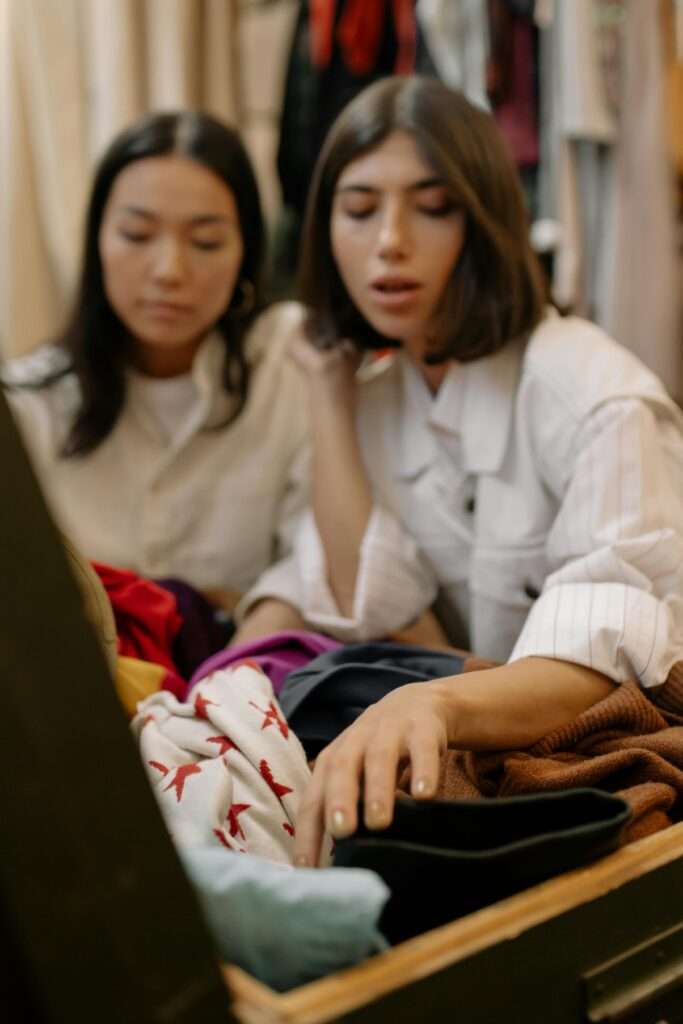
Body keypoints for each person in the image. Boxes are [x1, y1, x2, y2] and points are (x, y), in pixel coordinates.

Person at [288, 75, 683, 866]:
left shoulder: (590, 392)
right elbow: (372, 604)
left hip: (611, 792)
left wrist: (432, 701)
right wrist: (327, 403)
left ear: (484, 220)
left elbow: (610, 657)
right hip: (480, 775)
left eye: (432, 207)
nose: (389, 241)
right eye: (359, 209)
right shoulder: (370, 397)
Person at [3, 111, 308, 643]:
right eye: (137, 234)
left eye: (206, 242)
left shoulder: (295, 366)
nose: (169, 270)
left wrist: (226, 674)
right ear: (99, 243)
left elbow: (312, 566)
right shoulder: (30, 403)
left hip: (242, 685)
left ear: (246, 253)